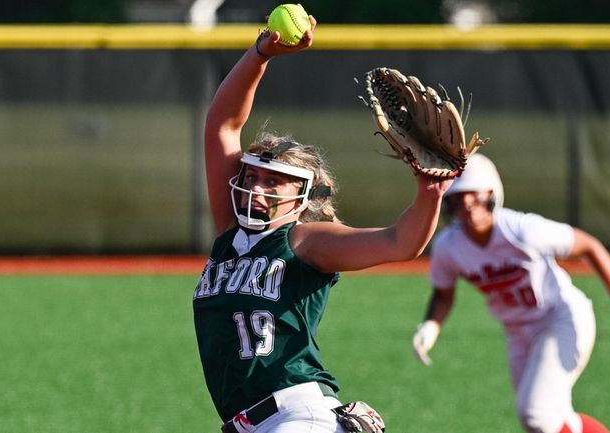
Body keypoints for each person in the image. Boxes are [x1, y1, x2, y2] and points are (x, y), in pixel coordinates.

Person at [192, 16, 452, 433]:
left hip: (296, 416)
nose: (257, 186)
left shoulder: (304, 240)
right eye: (253, 175)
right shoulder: (230, 235)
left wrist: (430, 193)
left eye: (273, 181)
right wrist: (260, 55)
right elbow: (222, 125)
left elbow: (401, 242)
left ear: (301, 196)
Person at [411, 153, 610, 433]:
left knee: (536, 414)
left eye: (473, 194)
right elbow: (443, 294)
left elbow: (588, 246)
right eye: (458, 197)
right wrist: (431, 326)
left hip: (559, 317)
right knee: (548, 420)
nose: (467, 204)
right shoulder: (449, 246)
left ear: (492, 192)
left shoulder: (520, 229)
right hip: (517, 331)